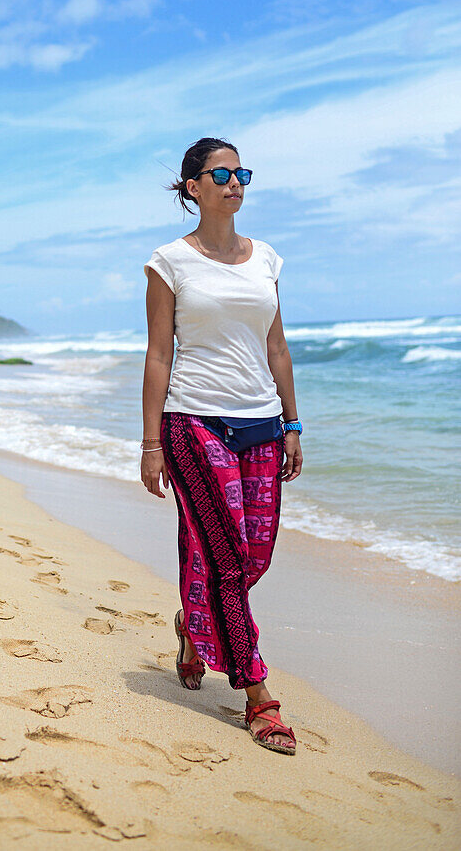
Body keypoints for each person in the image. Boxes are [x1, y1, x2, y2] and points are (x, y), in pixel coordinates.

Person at [141, 136, 303, 755]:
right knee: (229, 558)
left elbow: (277, 347)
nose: (236, 183)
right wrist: (151, 442)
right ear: (192, 187)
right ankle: (257, 694)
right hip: (193, 422)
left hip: (261, 423)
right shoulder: (168, 262)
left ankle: (193, 622)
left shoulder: (267, 259)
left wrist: (292, 423)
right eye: (222, 173)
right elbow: (159, 354)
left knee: (253, 557)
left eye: (243, 173)